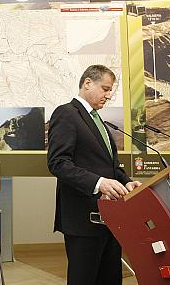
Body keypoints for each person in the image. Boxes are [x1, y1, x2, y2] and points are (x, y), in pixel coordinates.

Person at [47, 64, 141, 285]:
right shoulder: (67, 113)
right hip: (83, 218)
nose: (108, 96)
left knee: (110, 279)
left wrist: (126, 183)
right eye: (105, 89)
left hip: (111, 217)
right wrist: (99, 183)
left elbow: (112, 167)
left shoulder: (100, 122)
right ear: (88, 82)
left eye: (110, 91)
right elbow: (58, 163)